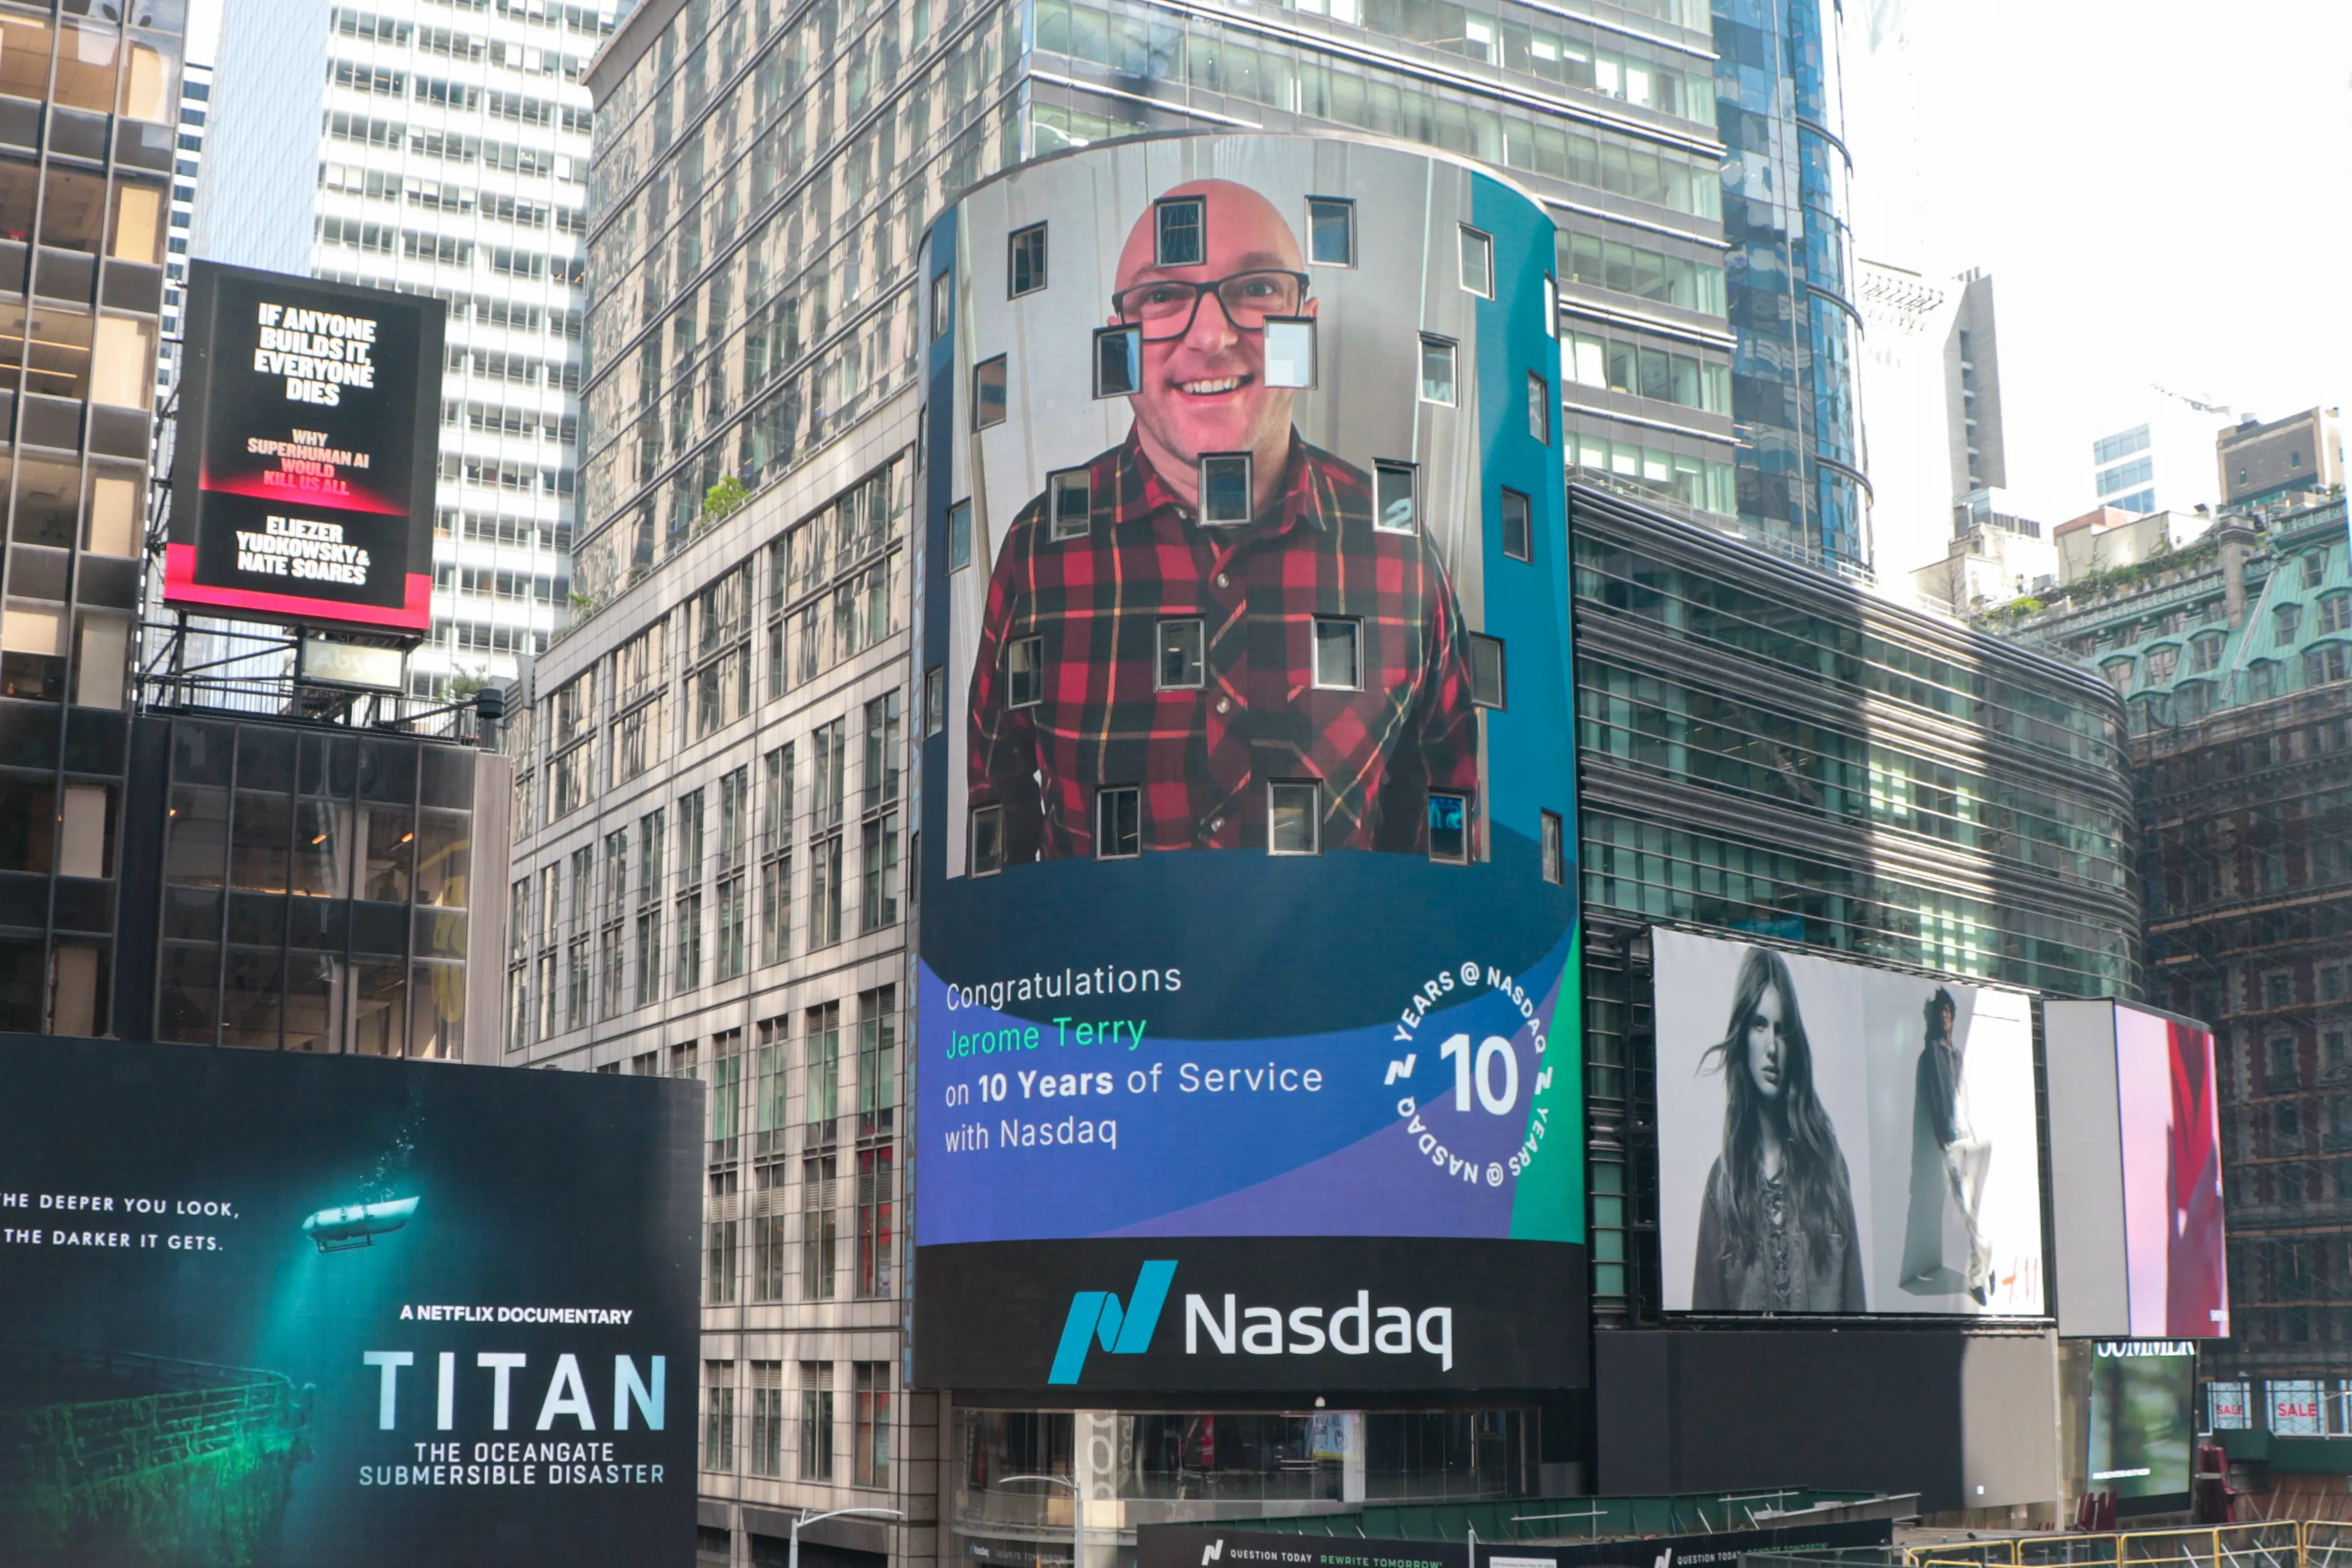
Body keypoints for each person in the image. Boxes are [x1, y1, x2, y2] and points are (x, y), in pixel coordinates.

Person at [966, 178, 1479, 864]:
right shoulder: (1039, 550)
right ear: (1120, 340)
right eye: (1162, 296)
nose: (1211, 335)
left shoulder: (1402, 549)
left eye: (1258, 288)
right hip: (1103, 976)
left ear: (1308, 322)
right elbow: (992, 821)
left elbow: (1443, 833)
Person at [1691, 947, 1865, 1312]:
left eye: (1782, 1029)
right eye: (1759, 1025)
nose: (1771, 1047)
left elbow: (1856, 1309)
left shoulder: (1829, 1168)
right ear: (1743, 1037)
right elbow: (1705, 1329)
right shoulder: (1723, 1183)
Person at [1900, 987, 1994, 1302]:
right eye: (1939, 1012)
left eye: (1947, 1012)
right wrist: (1943, 1138)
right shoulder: (1931, 1055)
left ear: (1953, 1018)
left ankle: (1981, 1273)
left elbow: (1964, 1096)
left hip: (1971, 1138)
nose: (1944, 1016)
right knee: (1968, 1211)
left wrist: (1975, 1131)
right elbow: (1926, 1105)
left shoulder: (1956, 1055)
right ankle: (1986, 1260)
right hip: (1952, 1142)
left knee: (1976, 1210)